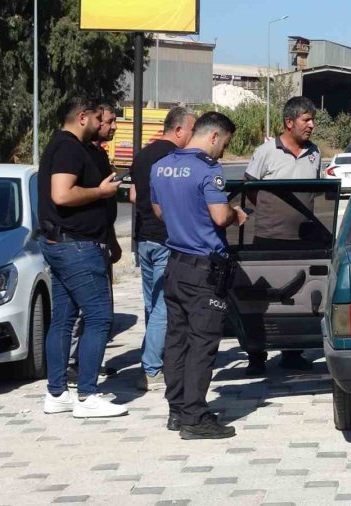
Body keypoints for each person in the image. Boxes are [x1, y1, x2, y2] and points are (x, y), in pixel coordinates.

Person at [151, 111, 248, 439]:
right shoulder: (208, 169)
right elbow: (220, 217)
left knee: (176, 339)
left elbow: (159, 211)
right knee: (202, 342)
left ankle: (176, 410)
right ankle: (195, 418)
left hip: (174, 263)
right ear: (213, 137)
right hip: (204, 268)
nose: (223, 151)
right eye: (225, 144)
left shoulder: (160, 166)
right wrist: (237, 214)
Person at [39, 97, 128, 418]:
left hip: (67, 243)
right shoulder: (68, 148)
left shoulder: (72, 147)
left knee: (63, 318)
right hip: (75, 246)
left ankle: (57, 393)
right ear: (82, 117)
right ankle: (87, 395)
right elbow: (61, 194)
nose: (104, 124)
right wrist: (101, 193)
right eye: (98, 118)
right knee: (99, 317)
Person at [242, 96, 321, 375]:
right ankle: (256, 356)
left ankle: (292, 353)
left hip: (302, 240)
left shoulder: (315, 152)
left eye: (312, 120)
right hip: (268, 238)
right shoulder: (265, 152)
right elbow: (249, 190)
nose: (311, 125)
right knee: (260, 298)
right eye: (306, 120)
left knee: (296, 298)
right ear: (289, 122)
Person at [129, 107, 197, 391]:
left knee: (151, 303)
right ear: (179, 130)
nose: (194, 136)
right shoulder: (175, 158)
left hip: (143, 239)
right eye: (192, 130)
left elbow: (133, 195)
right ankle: (152, 368)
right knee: (163, 307)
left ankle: (154, 357)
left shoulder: (143, 154)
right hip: (166, 239)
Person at [66, 103, 122, 387]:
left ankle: (88, 363)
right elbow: (68, 196)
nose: (112, 126)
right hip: (82, 245)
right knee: (84, 311)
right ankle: (76, 370)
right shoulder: (76, 152)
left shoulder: (98, 154)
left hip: (101, 239)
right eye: (108, 120)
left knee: (97, 312)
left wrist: (111, 239)